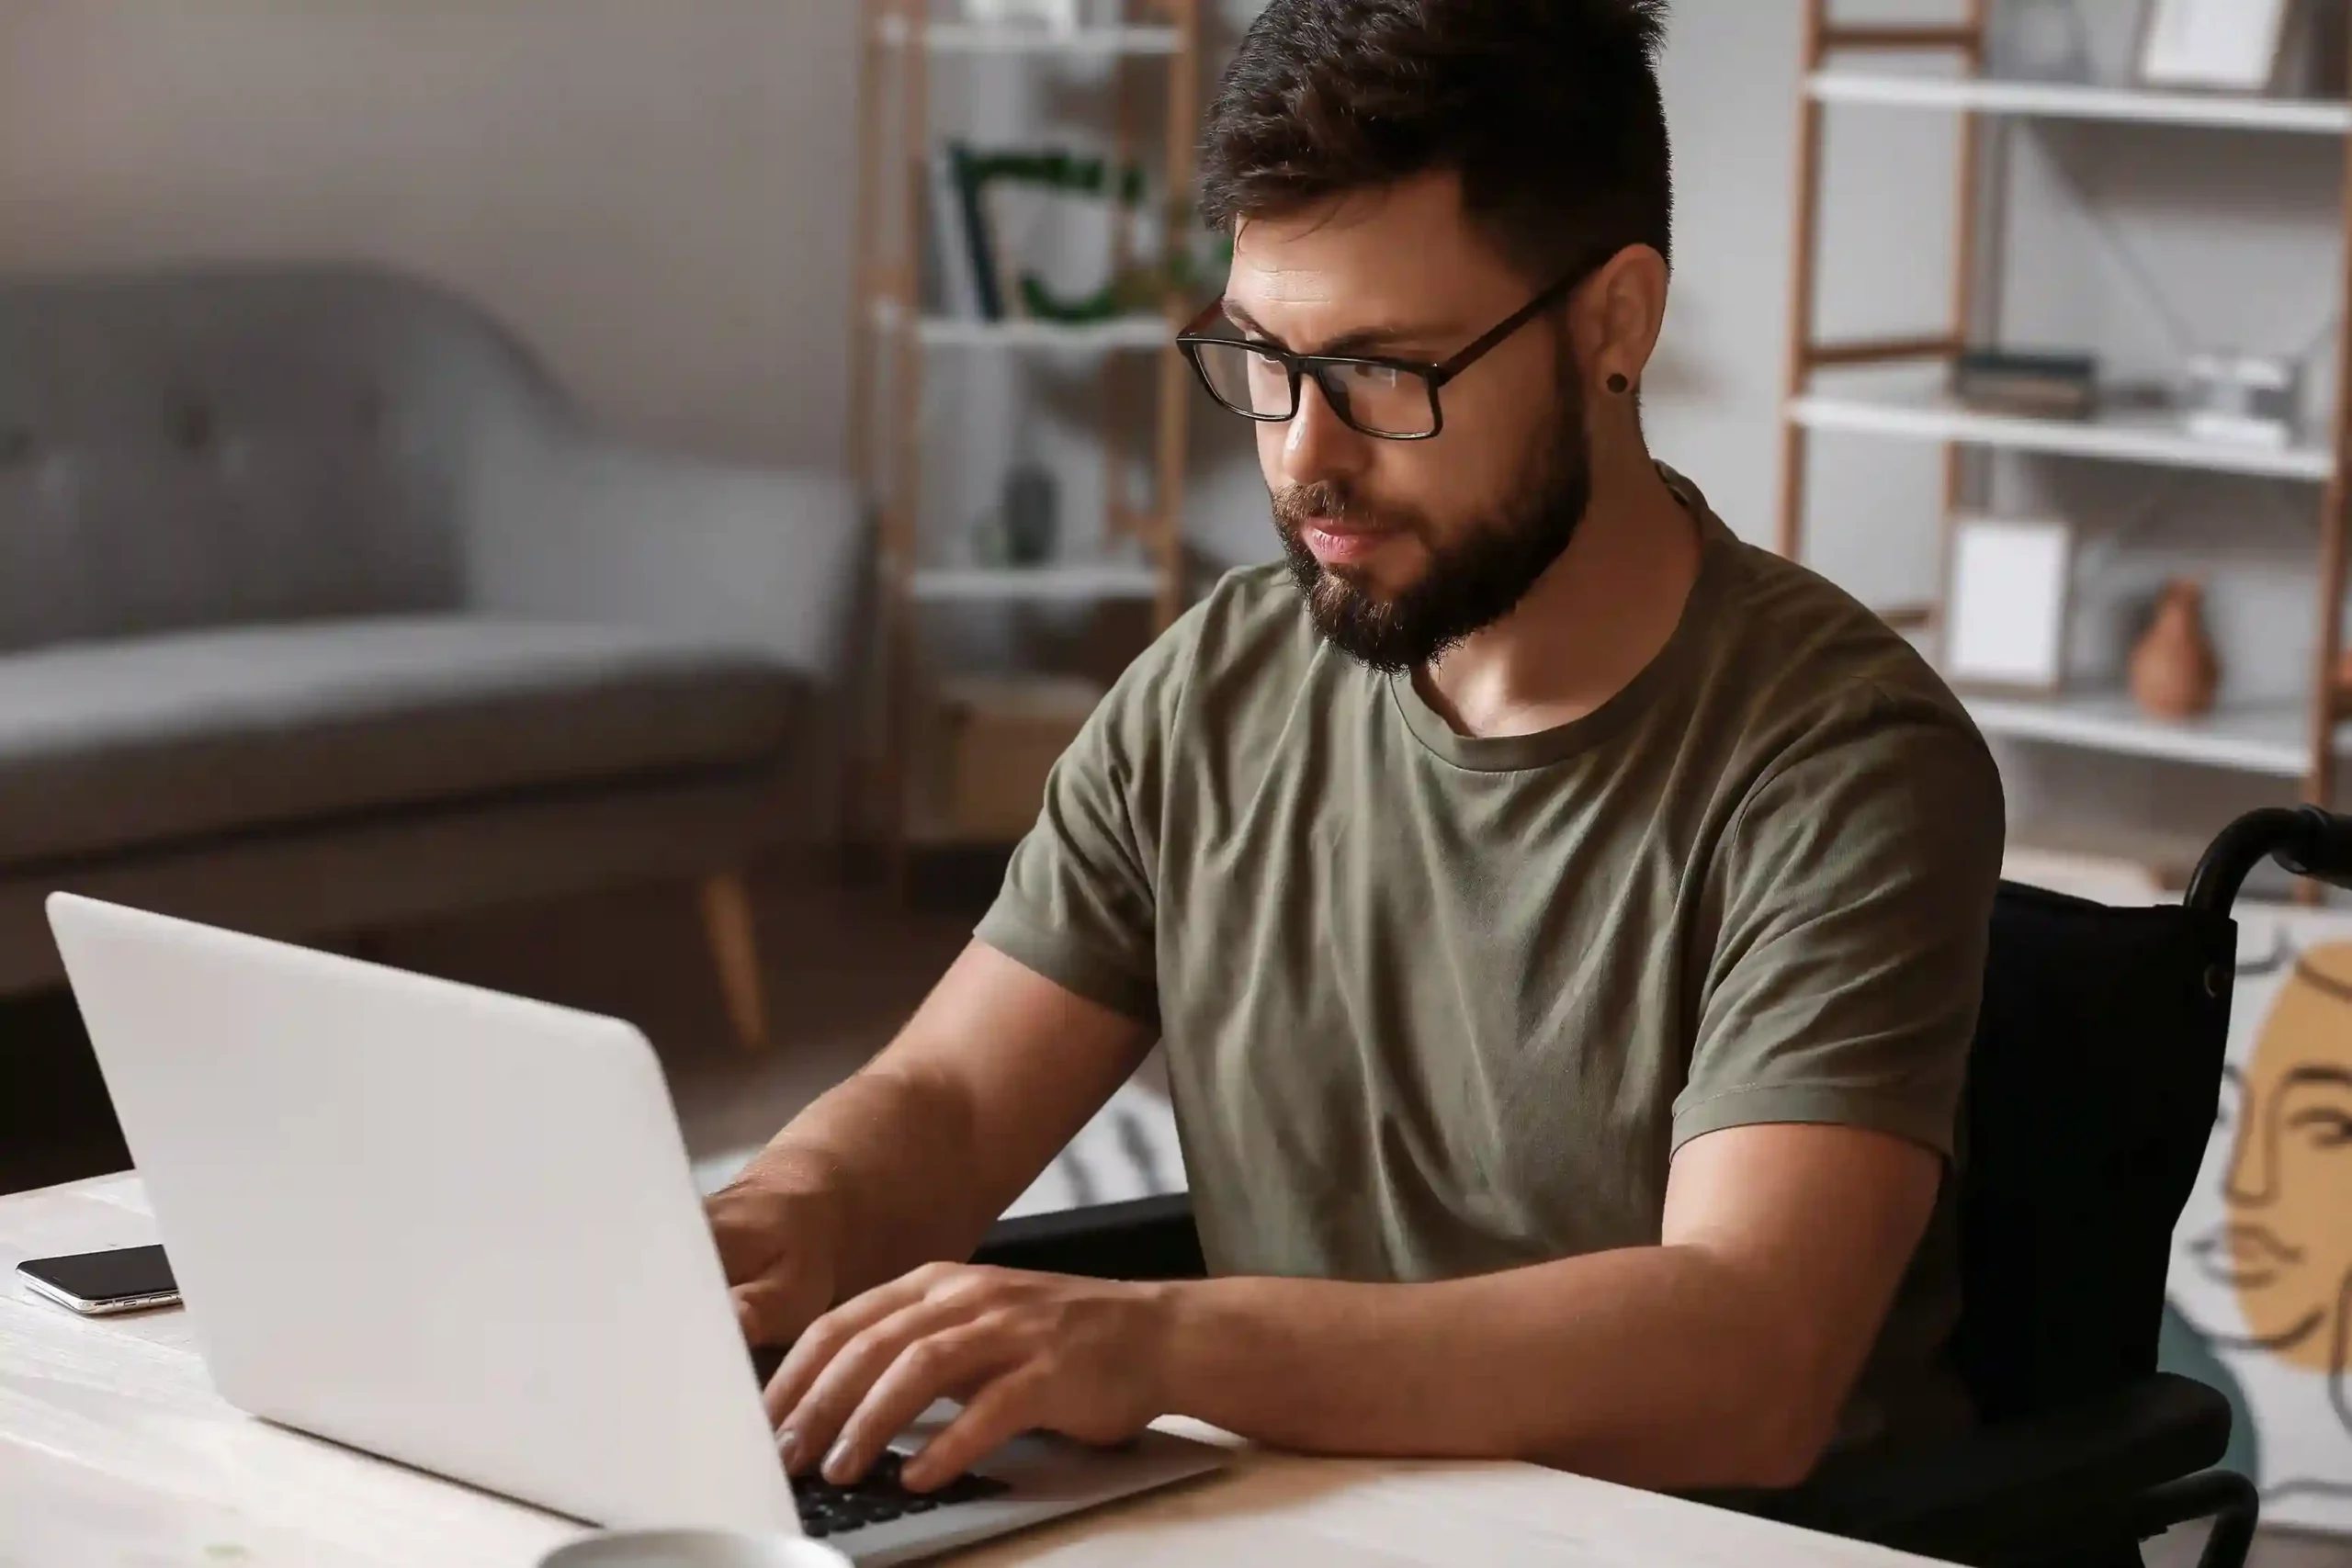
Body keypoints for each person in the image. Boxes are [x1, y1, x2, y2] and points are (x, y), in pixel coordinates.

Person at [707, 0, 2004, 1498]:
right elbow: (944, 1104)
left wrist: (1169, 1347)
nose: (1300, 454)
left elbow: (1747, 1356)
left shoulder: (1843, 763)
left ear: (1616, 324)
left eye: (1387, 372)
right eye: (1262, 357)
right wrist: (778, 1212)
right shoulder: (1216, 688)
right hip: (1302, 1520)